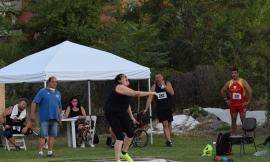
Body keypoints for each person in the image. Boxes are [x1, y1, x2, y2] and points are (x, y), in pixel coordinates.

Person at [104, 74, 156, 162]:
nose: (127, 78)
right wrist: (151, 92)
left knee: (130, 133)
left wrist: (131, 117)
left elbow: (127, 105)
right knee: (120, 137)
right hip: (112, 113)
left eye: (127, 77)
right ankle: (117, 160)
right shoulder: (119, 87)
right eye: (124, 77)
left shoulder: (126, 91)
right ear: (119, 81)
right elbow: (136, 93)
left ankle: (124, 153)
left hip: (121, 113)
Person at [31, 76, 62, 157]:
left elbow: (59, 107)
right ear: (49, 82)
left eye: (56, 82)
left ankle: (50, 152)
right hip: (44, 118)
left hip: (55, 118)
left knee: (52, 136)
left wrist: (60, 118)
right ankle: (40, 153)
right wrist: (33, 114)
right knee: (42, 135)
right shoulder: (42, 91)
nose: (55, 83)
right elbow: (34, 103)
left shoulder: (58, 93)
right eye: (53, 82)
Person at [143, 73, 174, 147]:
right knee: (165, 124)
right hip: (160, 108)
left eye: (159, 77)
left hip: (168, 107)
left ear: (162, 77)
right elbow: (150, 98)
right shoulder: (154, 87)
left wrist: (164, 86)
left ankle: (168, 140)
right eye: (156, 78)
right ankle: (169, 141)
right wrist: (146, 108)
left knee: (169, 124)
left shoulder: (167, 83)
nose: (158, 79)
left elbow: (172, 93)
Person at [221, 67, 252, 135]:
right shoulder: (229, 83)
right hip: (233, 105)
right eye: (232, 73)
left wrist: (248, 101)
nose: (233, 74)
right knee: (233, 119)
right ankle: (234, 134)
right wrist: (226, 100)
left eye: (235, 73)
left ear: (238, 74)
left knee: (243, 119)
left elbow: (250, 91)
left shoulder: (243, 81)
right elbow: (222, 91)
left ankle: (245, 134)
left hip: (242, 104)